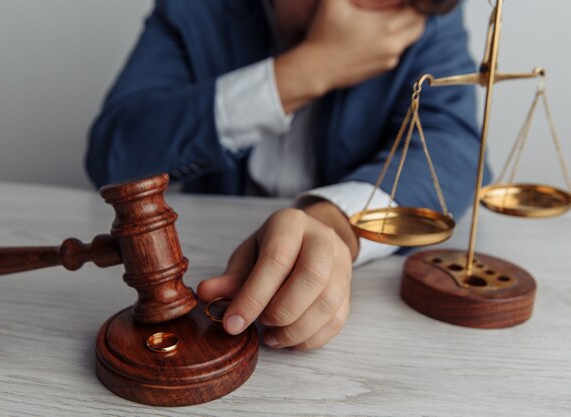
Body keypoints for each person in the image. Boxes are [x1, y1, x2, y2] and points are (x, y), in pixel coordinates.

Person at [86, 0, 489, 350]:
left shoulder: (417, 19)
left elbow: (456, 148)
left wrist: (335, 222)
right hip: (206, 268)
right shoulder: (196, 10)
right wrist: (305, 71)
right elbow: (114, 161)